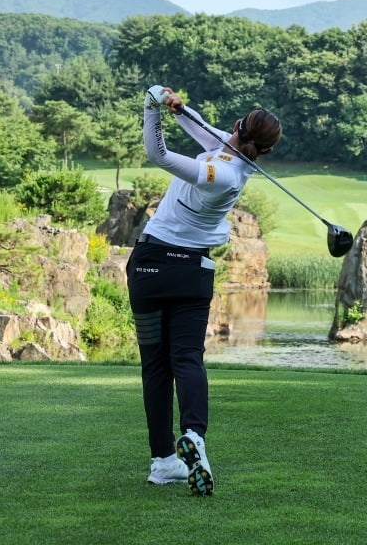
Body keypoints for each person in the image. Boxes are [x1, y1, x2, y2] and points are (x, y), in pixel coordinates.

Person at [127, 84, 282, 496]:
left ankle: (164, 460)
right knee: (187, 358)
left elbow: (158, 155)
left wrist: (152, 109)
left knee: (155, 366)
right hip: (191, 273)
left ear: (238, 127)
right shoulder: (238, 161)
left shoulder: (223, 172)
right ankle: (193, 434)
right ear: (262, 149)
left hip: (148, 267)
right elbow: (206, 134)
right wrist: (179, 110)